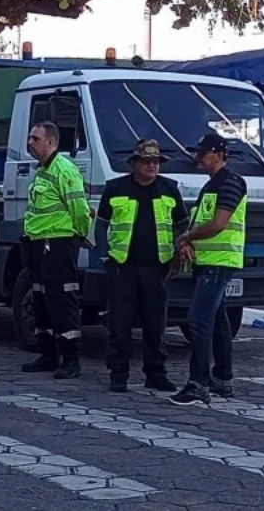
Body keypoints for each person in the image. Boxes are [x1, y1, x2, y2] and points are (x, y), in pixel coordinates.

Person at [95, 139, 188, 393]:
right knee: (119, 323)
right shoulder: (116, 188)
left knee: (155, 324)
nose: (152, 166)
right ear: (134, 163)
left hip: (157, 268)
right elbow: (101, 223)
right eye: (146, 161)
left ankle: (156, 374)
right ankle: (118, 373)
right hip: (123, 268)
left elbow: (182, 223)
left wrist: (180, 252)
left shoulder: (169, 189)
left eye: (156, 162)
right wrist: (105, 257)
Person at [170, 133, 248, 405]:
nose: (198, 158)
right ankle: (222, 379)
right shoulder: (211, 185)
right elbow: (202, 222)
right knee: (217, 321)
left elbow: (218, 224)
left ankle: (198, 383)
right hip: (209, 261)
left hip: (219, 262)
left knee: (199, 320)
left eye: (204, 153)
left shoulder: (230, 183)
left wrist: (186, 238)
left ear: (220, 153)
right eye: (198, 153)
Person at [20, 121, 92, 378]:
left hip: (58, 244)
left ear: (51, 141)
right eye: (30, 138)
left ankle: (71, 360)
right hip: (39, 244)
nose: (30, 142)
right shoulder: (42, 171)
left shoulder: (64, 170)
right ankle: (48, 355)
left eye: (35, 138)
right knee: (40, 298)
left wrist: (79, 235)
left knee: (62, 300)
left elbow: (80, 210)